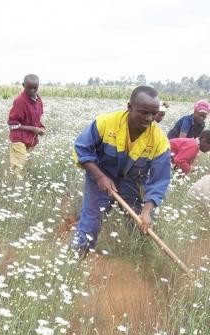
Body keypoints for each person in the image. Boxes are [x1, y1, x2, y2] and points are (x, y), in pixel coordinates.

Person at [71, 86, 171, 254]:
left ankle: (141, 262)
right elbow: (81, 148)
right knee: (91, 222)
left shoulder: (159, 141)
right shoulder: (105, 123)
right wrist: (99, 177)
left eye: (153, 114)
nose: (149, 118)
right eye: (144, 112)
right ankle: (76, 259)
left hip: (132, 182)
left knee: (141, 226)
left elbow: (159, 180)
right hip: (100, 176)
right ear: (129, 107)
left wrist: (146, 212)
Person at [7, 74, 45, 176]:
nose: (33, 90)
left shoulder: (38, 100)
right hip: (18, 138)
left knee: (26, 164)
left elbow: (36, 118)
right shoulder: (20, 101)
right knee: (19, 164)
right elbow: (12, 124)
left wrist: (40, 127)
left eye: (35, 88)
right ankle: (16, 185)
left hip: (30, 138)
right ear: (23, 85)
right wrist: (33, 129)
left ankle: (21, 183)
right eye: (30, 88)